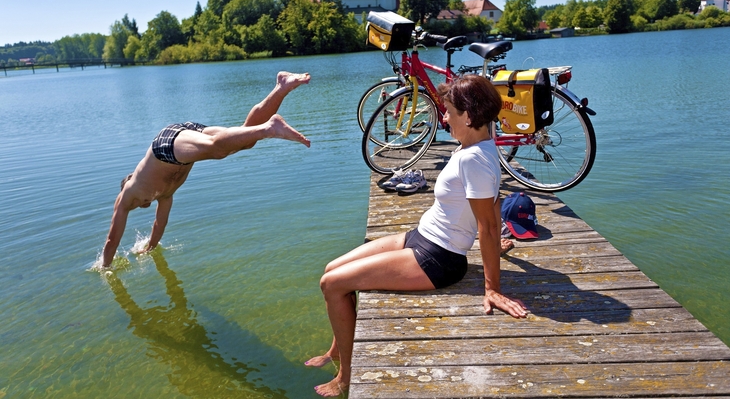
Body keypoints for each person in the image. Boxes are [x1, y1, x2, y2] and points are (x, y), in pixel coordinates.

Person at [305, 75, 528, 397]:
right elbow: (492, 207)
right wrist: (496, 248)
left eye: (449, 111)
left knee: (332, 285)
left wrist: (492, 287)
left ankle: (346, 377)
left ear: (468, 116)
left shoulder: (474, 159)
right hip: (421, 236)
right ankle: (337, 350)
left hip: (438, 259)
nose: (444, 118)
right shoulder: (479, 147)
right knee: (331, 269)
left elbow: (489, 225)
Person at [100, 71, 311, 268]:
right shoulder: (164, 195)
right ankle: (281, 86)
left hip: (165, 146)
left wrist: (105, 268)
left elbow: (111, 240)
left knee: (217, 150)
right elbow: (159, 224)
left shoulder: (128, 193)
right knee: (245, 139)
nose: (142, 206)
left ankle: (270, 128)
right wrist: (149, 249)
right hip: (181, 140)